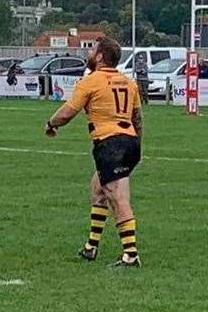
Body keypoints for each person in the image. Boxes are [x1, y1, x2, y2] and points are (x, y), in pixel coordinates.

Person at [44, 36, 143, 267]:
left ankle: (131, 254)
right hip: (129, 141)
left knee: (118, 197)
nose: (89, 55)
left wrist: (51, 124)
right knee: (98, 189)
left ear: (99, 56)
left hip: (110, 144)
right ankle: (91, 247)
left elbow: (68, 112)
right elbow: (138, 118)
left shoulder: (91, 81)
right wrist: (138, 146)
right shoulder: (129, 82)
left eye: (92, 51)